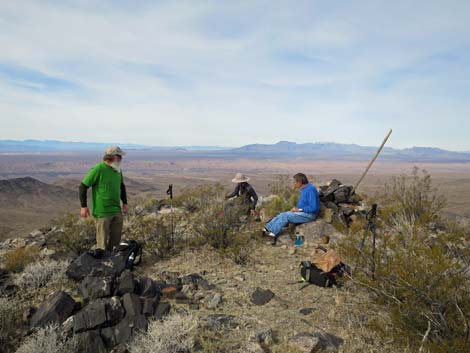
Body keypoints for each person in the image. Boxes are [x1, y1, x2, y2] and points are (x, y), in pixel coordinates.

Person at [79, 146, 129, 255]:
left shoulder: (117, 170)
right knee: (101, 246)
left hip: (116, 209)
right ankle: (101, 268)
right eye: (119, 156)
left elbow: (121, 186)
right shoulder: (98, 169)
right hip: (102, 212)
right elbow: (83, 186)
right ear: (112, 157)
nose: (121, 158)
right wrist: (83, 206)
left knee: (115, 243)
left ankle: (112, 263)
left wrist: (125, 203)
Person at [264, 173, 319, 243]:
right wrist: (296, 209)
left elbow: (313, 207)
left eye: (295, 182)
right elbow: (305, 204)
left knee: (286, 216)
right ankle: (267, 229)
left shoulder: (310, 189)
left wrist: (299, 209)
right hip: (303, 212)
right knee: (282, 214)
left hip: (310, 215)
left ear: (300, 182)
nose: (294, 184)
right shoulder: (305, 189)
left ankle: (272, 234)